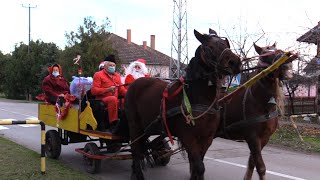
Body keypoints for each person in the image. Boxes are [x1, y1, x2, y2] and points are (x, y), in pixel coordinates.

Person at [91, 55, 127, 133]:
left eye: (114, 65)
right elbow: (94, 91)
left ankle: (125, 122)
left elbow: (121, 90)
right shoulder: (98, 75)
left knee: (126, 100)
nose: (112, 67)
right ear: (105, 66)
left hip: (114, 100)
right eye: (110, 65)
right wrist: (107, 89)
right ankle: (113, 123)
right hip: (101, 100)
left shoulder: (117, 76)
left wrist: (130, 94)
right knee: (112, 99)